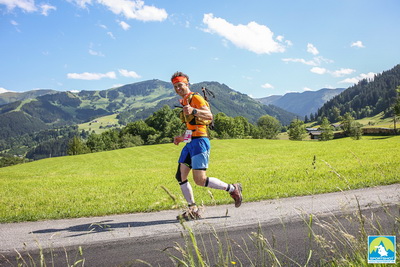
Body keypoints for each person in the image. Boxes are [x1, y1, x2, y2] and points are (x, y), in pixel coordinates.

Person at [171, 71, 242, 220]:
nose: (178, 89)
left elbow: (209, 116)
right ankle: (193, 209)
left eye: (180, 85)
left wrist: (194, 110)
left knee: (200, 180)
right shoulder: (184, 101)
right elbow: (192, 126)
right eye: (175, 87)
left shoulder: (195, 98)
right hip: (190, 142)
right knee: (180, 176)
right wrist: (181, 138)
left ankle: (232, 188)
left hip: (200, 142)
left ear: (187, 84)